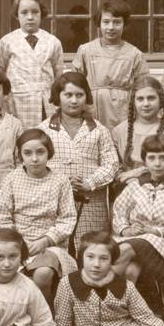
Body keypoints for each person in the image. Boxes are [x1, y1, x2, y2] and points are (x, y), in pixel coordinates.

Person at [0, 129, 78, 301]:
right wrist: (17, 242)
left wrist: (45, 240)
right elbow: (1, 216)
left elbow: (67, 218)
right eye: (27, 153)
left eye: (40, 152)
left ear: (49, 153)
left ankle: (41, 316)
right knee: (5, 271)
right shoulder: (12, 179)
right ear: (20, 155)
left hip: (50, 245)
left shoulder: (60, 181)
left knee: (43, 274)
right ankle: (14, 315)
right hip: (16, 243)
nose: (34, 159)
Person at [38, 72, 119, 250]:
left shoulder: (99, 130)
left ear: (86, 97)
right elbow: (35, 164)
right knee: (56, 249)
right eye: (68, 95)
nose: (74, 101)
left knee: (89, 248)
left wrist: (89, 183)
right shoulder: (43, 129)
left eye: (79, 95)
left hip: (91, 202)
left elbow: (111, 164)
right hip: (53, 202)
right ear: (57, 97)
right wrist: (57, 182)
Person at [112, 134, 164, 283]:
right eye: (152, 158)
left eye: (163, 158)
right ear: (145, 161)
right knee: (130, 271)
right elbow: (119, 212)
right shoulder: (135, 186)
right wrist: (126, 230)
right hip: (134, 241)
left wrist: (155, 231)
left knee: (123, 250)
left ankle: (96, 294)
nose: (157, 164)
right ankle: (123, 304)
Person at [71, 0, 149, 129]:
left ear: (125, 24)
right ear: (99, 23)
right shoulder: (86, 50)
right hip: (92, 108)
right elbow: (74, 82)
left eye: (117, 22)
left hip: (123, 112)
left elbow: (143, 86)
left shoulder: (134, 54)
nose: (111, 27)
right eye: (106, 22)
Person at [0, 0, 63, 128]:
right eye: (24, 12)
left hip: (44, 103)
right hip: (17, 101)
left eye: (35, 12)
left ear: (41, 13)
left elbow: (58, 76)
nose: (30, 17)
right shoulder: (7, 42)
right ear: (17, 15)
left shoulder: (52, 42)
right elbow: (0, 74)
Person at [111, 75, 164, 188]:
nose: (146, 104)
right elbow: (113, 166)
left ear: (160, 100)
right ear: (133, 102)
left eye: (151, 98)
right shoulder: (119, 131)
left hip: (162, 190)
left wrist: (140, 173)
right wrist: (123, 177)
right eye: (140, 99)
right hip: (127, 189)